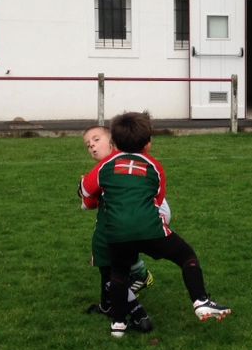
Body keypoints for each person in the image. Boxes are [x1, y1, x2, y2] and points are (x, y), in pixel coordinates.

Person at [80, 112, 231, 338]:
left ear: (114, 142)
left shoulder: (105, 165)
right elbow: (158, 201)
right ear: (148, 143)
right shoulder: (154, 166)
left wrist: (90, 196)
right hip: (150, 229)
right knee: (186, 255)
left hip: (117, 233)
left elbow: (86, 191)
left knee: (118, 273)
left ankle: (118, 325)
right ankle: (200, 300)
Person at [80, 125, 165, 332]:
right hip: (139, 221)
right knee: (110, 266)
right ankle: (108, 304)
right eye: (88, 144)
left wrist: (83, 191)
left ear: (113, 141)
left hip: (125, 225)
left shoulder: (112, 164)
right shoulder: (120, 162)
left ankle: (139, 314)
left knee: (111, 269)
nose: (91, 146)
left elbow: (88, 201)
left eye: (96, 139)